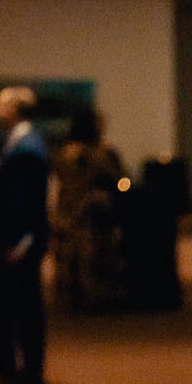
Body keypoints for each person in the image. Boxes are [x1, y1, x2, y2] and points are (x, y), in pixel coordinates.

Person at [0, 85, 52, 384]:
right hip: (17, 240)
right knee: (19, 305)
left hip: (15, 242)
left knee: (8, 306)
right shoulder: (25, 143)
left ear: (15, 109)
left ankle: (17, 372)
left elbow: (23, 202)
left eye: (0, 104)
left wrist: (15, 242)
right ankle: (24, 371)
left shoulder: (26, 147)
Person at [53, 105, 126, 312]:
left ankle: (70, 296)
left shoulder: (65, 152)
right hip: (93, 212)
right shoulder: (102, 153)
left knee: (69, 254)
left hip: (68, 210)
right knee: (93, 254)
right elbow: (119, 179)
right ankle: (95, 296)